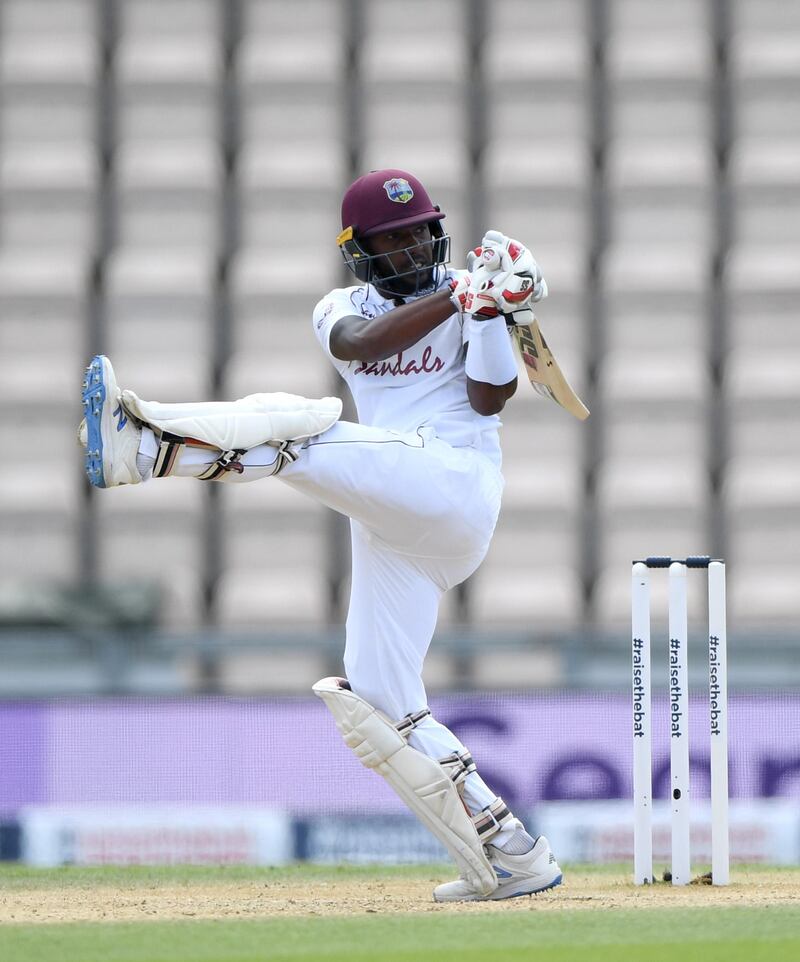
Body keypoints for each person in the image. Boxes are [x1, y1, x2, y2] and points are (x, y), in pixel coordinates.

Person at [78, 168, 562, 901]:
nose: (411, 248)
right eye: (392, 240)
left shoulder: (468, 295)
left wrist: (499, 309)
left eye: (419, 233)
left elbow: (490, 399)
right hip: (392, 517)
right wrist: (460, 295)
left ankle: (148, 449)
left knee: (299, 428)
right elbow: (364, 345)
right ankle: (512, 854)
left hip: (455, 487)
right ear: (359, 251)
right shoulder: (339, 307)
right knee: (379, 704)